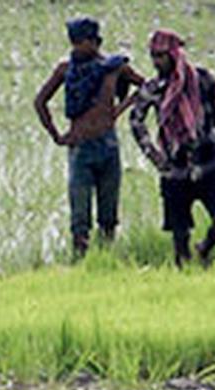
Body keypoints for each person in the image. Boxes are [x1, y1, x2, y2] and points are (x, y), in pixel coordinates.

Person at [130, 29, 215, 268]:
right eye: (153, 56)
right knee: (180, 235)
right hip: (175, 168)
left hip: (209, 161)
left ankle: (205, 248)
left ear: (175, 54)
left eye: (161, 56)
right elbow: (136, 121)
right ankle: (185, 273)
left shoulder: (204, 80)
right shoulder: (153, 88)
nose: (156, 62)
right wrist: (154, 154)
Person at [34, 17, 144, 256]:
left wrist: (120, 109)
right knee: (79, 215)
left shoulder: (114, 68)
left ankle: (105, 260)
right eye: (72, 43)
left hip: (108, 145)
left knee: (108, 214)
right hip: (80, 148)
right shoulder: (66, 69)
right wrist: (56, 135)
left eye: (80, 42)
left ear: (95, 42)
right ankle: (80, 259)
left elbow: (145, 86)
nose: (75, 48)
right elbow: (40, 102)